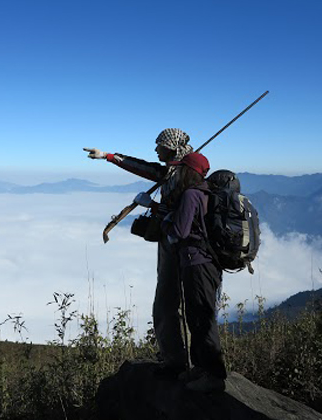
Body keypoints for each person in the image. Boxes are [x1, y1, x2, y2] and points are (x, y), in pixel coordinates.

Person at [83, 129, 195, 377]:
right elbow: (144, 168)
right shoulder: (180, 171)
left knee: (166, 301)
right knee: (176, 301)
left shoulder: (183, 176)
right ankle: (180, 356)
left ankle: (175, 360)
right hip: (182, 248)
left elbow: (179, 217)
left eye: (160, 146)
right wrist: (107, 156)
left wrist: (153, 206)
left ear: (172, 147)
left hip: (176, 245)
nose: (156, 150)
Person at [138, 152, 227, 392]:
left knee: (201, 318)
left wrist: (163, 219)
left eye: (181, 169)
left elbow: (179, 231)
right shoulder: (206, 192)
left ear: (189, 171)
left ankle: (214, 376)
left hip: (196, 262)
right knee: (197, 316)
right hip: (207, 263)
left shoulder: (190, 194)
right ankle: (200, 368)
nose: (177, 172)